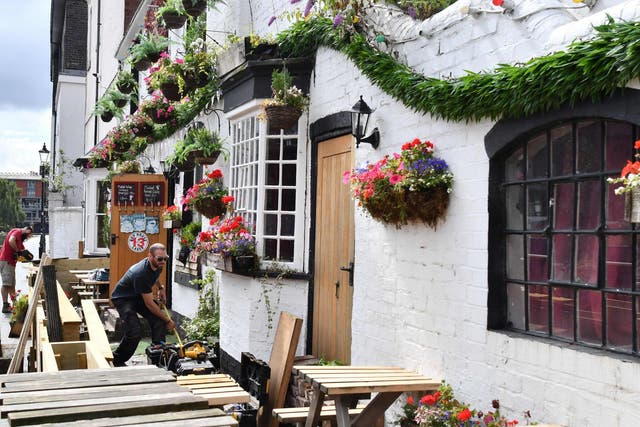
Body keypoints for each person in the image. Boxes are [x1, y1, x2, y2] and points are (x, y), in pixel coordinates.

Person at [111, 243, 175, 367]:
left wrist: (160, 288)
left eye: (165, 258)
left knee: (158, 321)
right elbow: (150, 304)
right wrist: (168, 320)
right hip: (123, 299)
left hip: (138, 295)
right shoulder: (140, 273)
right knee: (134, 332)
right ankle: (117, 360)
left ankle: (157, 356)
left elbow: (154, 275)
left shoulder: (158, 264)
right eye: (160, 259)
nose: (163, 261)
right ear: (150, 256)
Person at [0, 226, 33, 313]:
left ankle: (15, 304)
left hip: (11, 263)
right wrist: (18, 251)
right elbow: (11, 240)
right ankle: (5, 305)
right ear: (27, 230)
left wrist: (25, 256)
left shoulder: (19, 240)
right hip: (7, 261)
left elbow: (23, 253)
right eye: (28, 235)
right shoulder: (18, 231)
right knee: (6, 284)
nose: (27, 238)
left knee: (12, 285)